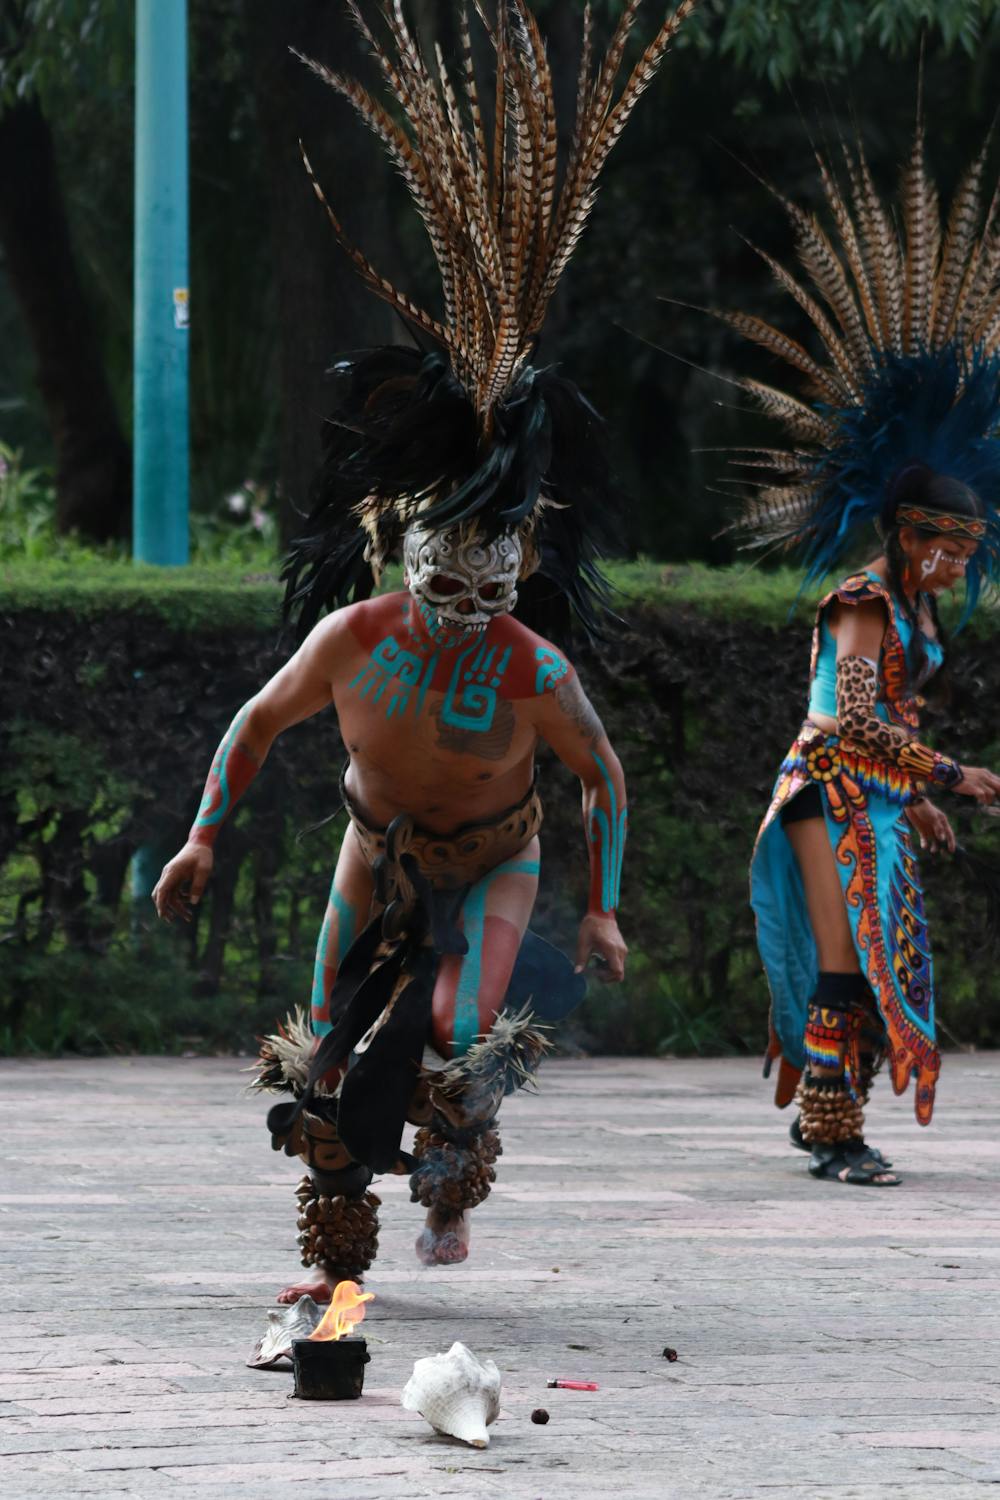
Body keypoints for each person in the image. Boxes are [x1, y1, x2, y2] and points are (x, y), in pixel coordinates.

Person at [153, 0, 697, 1296]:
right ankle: (339, 1262)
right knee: (329, 1048)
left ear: (520, 556)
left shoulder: (531, 669)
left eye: (488, 573)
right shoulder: (355, 636)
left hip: (497, 863)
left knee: (458, 1036)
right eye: (441, 571)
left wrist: (606, 905)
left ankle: (454, 1179)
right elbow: (258, 722)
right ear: (397, 541)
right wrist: (202, 833)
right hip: (376, 848)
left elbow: (603, 778)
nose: (465, 597)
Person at [714, 109, 1000, 1184]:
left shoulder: (917, 611)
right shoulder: (861, 601)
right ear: (906, 533)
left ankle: (827, 1121)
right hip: (823, 788)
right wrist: (950, 777)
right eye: (942, 543)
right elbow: (850, 720)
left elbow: (891, 723)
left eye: (967, 548)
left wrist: (917, 794)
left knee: (883, 970)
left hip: (871, 796)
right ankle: (833, 1138)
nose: (953, 562)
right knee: (847, 965)